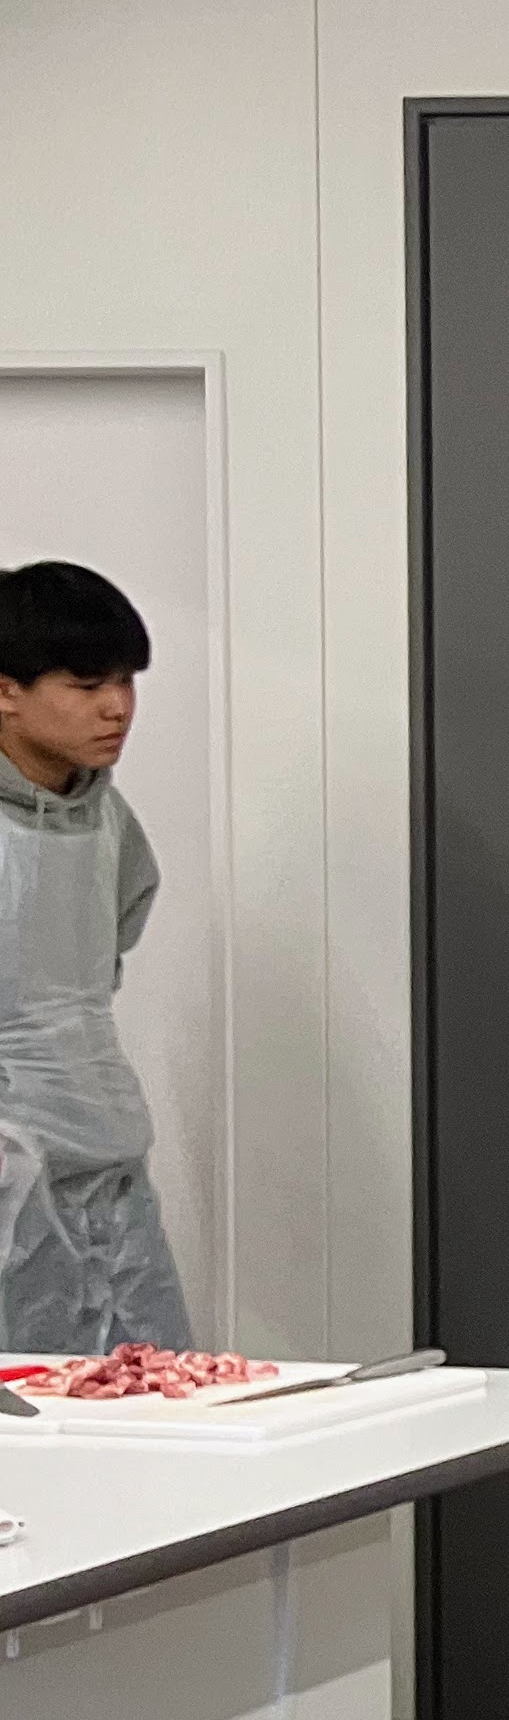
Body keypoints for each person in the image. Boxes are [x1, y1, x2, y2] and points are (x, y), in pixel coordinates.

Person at [0, 559, 184, 1354]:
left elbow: (98, 964)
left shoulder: (107, 820)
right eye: (85, 685)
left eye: (126, 681)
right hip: (12, 1162)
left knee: (145, 1391)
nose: (118, 707)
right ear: (6, 691)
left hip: (107, 1158)